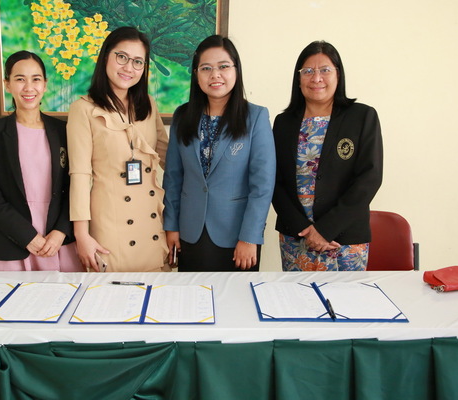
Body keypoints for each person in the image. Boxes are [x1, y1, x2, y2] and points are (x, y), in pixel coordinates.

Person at [163, 35, 276, 272]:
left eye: (223, 66)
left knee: (236, 295)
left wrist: (250, 237)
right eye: (206, 68)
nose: (215, 75)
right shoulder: (183, 116)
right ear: (196, 74)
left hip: (237, 237)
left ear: (236, 70)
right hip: (190, 232)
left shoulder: (255, 117)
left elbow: (262, 185)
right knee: (192, 293)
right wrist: (171, 226)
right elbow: (173, 177)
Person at [272, 40, 383, 271]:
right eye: (308, 71)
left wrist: (325, 230)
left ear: (338, 75)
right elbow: (274, 180)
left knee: (346, 296)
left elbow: (369, 178)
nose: (316, 78)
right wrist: (303, 229)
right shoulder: (283, 123)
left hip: (343, 239)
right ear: (298, 78)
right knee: (295, 294)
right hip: (296, 238)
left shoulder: (362, 117)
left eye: (325, 70)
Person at [67, 26, 169, 272]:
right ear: (105, 57)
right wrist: (81, 234)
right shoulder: (83, 109)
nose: (128, 68)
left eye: (138, 62)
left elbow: (169, 158)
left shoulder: (148, 105)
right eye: (121, 57)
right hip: (110, 226)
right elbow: (79, 175)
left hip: (150, 222)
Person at [0, 50, 82, 271]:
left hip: (57, 241)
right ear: (7, 84)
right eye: (20, 79)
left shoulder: (64, 131)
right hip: (8, 241)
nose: (29, 87)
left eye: (36, 79)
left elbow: (76, 185)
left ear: (45, 84)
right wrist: (27, 236)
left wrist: (61, 231)